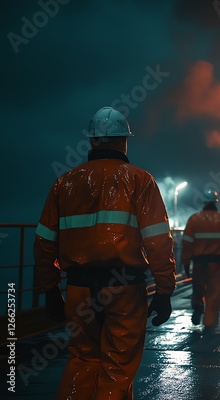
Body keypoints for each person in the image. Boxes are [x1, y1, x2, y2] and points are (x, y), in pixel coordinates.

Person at [33, 106, 177, 399]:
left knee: (83, 359)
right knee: (118, 366)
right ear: (124, 141)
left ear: (92, 141)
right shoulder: (140, 180)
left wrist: (49, 289)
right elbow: (158, 242)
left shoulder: (65, 183)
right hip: (124, 290)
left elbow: (44, 242)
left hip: (79, 289)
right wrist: (164, 290)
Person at [181, 189, 220, 335]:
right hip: (216, 265)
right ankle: (209, 324)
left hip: (199, 263)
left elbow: (187, 243)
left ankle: (198, 304)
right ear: (215, 203)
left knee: (198, 289)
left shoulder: (194, 219)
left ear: (204, 202)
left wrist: (185, 263)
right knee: (213, 293)